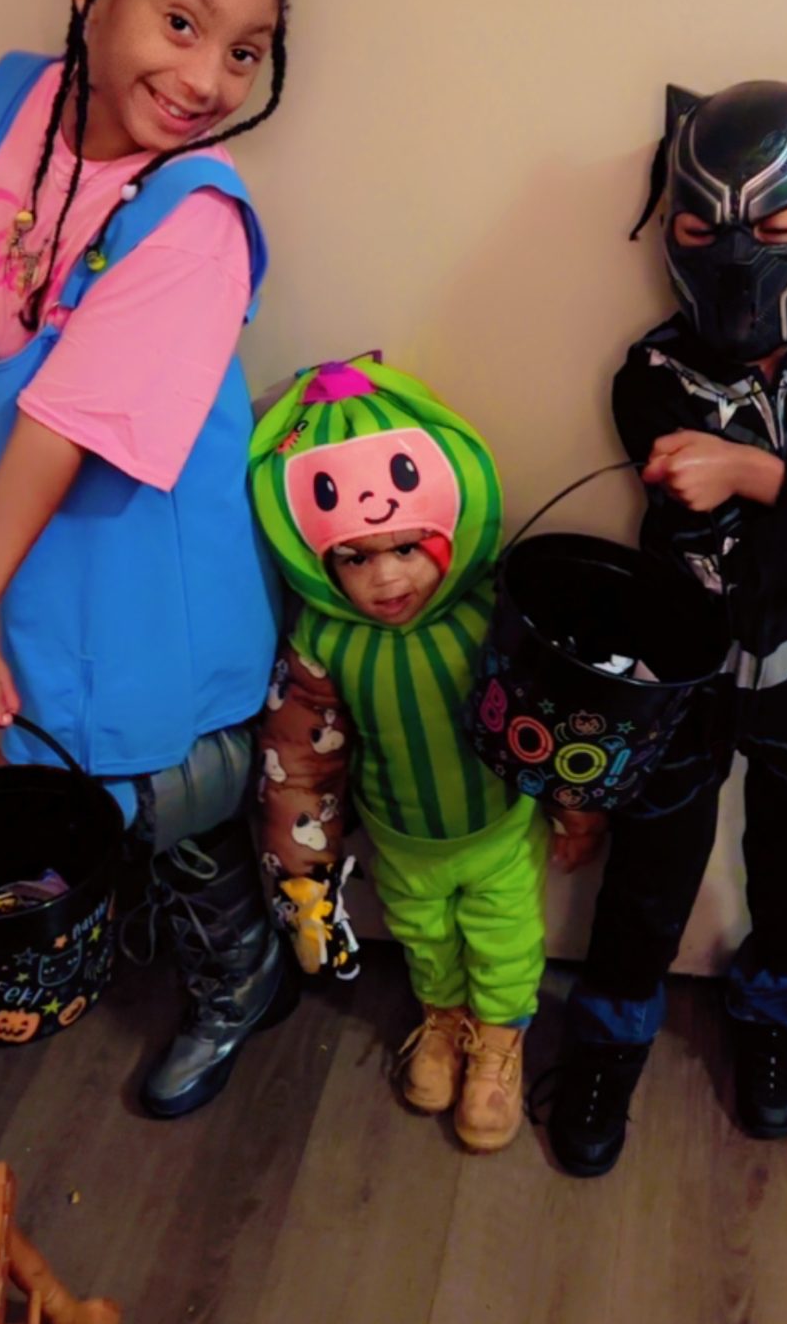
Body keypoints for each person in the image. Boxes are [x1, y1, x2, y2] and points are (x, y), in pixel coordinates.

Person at [0, 0, 296, 1117]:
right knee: (72, 765)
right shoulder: (3, 109)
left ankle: (241, 976)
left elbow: (70, 419)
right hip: (36, 548)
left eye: (243, 50)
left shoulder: (195, 214)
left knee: (175, 791)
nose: (206, 78)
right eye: (182, 22)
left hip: (144, 564)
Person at [545, 70, 787, 1177]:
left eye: (779, 227)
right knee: (648, 872)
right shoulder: (652, 377)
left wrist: (754, 471)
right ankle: (609, 1035)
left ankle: (771, 1018)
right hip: (683, 673)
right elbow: (754, 577)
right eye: (703, 228)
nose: (738, 256)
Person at [248, 359, 601, 1154]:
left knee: (505, 941)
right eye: (355, 558)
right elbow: (298, 760)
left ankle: (499, 1041)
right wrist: (304, 869)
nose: (387, 578)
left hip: (499, 828)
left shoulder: (493, 613)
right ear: (317, 559)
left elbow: (554, 724)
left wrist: (576, 811)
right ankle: (442, 1020)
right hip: (400, 837)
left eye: (408, 546)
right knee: (422, 937)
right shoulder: (322, 640)